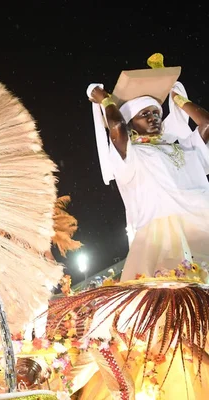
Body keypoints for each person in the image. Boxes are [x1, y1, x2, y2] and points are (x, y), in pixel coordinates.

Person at [88, 53, 209, 282]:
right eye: (144, 114)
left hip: (201, 227)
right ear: (132, 123)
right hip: (159, 242)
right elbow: (115, 125)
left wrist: (178, 100)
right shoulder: (130, 155)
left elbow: (206, 124)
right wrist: (105, 100)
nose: (153, 118)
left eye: (156, 113)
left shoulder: (181, 148)